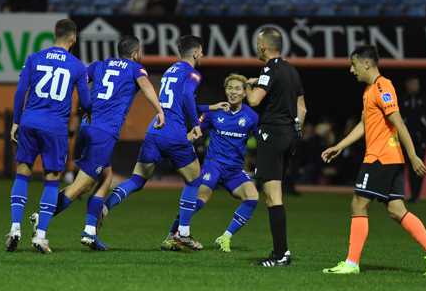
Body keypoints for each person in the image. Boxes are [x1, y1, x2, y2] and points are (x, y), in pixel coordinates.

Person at [32, 36, 164, 251]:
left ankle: (90, 232)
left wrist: (81, 107)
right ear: (136, 53)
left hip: (86, 128)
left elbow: (79, 81)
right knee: (80, 186)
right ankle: (43, 217)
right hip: (104, 133)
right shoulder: (135, 69)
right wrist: (159, 110)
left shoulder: (99, 65)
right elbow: (146, 86)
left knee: (106, 176)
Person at [102, 36, 224, 250]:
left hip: (155, 130)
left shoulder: (171, 70)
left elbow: (180, 101)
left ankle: (104, 207)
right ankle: (183, 234)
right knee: (195, 180)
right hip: (174, 133)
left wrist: (210, 108)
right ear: (196, 53)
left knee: (137, 179)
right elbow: (186, 97)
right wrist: (195, 123)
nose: (202, 55)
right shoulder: (193, 73)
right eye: (202, 51)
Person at [321, 45, 426, 276]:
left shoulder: (383, 86)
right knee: (396, 209)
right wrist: (339, 146)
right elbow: (364, 125)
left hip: (381, 158)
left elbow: (399, 122)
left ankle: (351, 263)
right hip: (388, 158)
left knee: (358, 204)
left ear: (366, 63)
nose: (352, 70)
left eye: (353, 65)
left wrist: (413, 156)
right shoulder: (369, 90)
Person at [6, 19, 91, 254]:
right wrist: (88, 110)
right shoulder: (77, 66)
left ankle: (14, 229)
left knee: (22, 173)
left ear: (55, 35)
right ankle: (40, 235)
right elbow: (85, 101)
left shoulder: (34, 58)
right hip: (55, 127)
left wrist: (16, 121)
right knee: (52, 178)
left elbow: (20, 92)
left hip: (30, 121)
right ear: (73, 38)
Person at [161, 74, 259, 253]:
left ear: (245, 93)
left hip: (234, 170)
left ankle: (225, 237)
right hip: (213, 165)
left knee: (252, 197)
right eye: (230, 88)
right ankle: (172, 235)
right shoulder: (213, 112)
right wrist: (177, 145)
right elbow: (195, 132)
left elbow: (261, 142)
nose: (233, 92)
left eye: (237, 88)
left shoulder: (251, 117)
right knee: (200, 198)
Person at [245, 27, 306, 267]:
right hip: (289, 134)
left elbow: (253, 100)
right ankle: (281, 252)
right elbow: (302, 108)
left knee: (272, 196)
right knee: (275, 194)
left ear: (262, 46)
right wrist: (296, 130)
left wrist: (248, 85)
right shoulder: (291, 70)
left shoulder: (269, 69)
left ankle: (281, 254)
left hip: (272, 134)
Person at [400, 76, 426, 203]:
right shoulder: (402, 100)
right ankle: (397, 194)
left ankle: (415, 195)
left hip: (420, 142)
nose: (414, 86)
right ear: (407, 85)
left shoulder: (425, 100)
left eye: (416, 84)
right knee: (401, 168)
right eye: (412, 84)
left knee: (418, 169)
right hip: (405, 141)